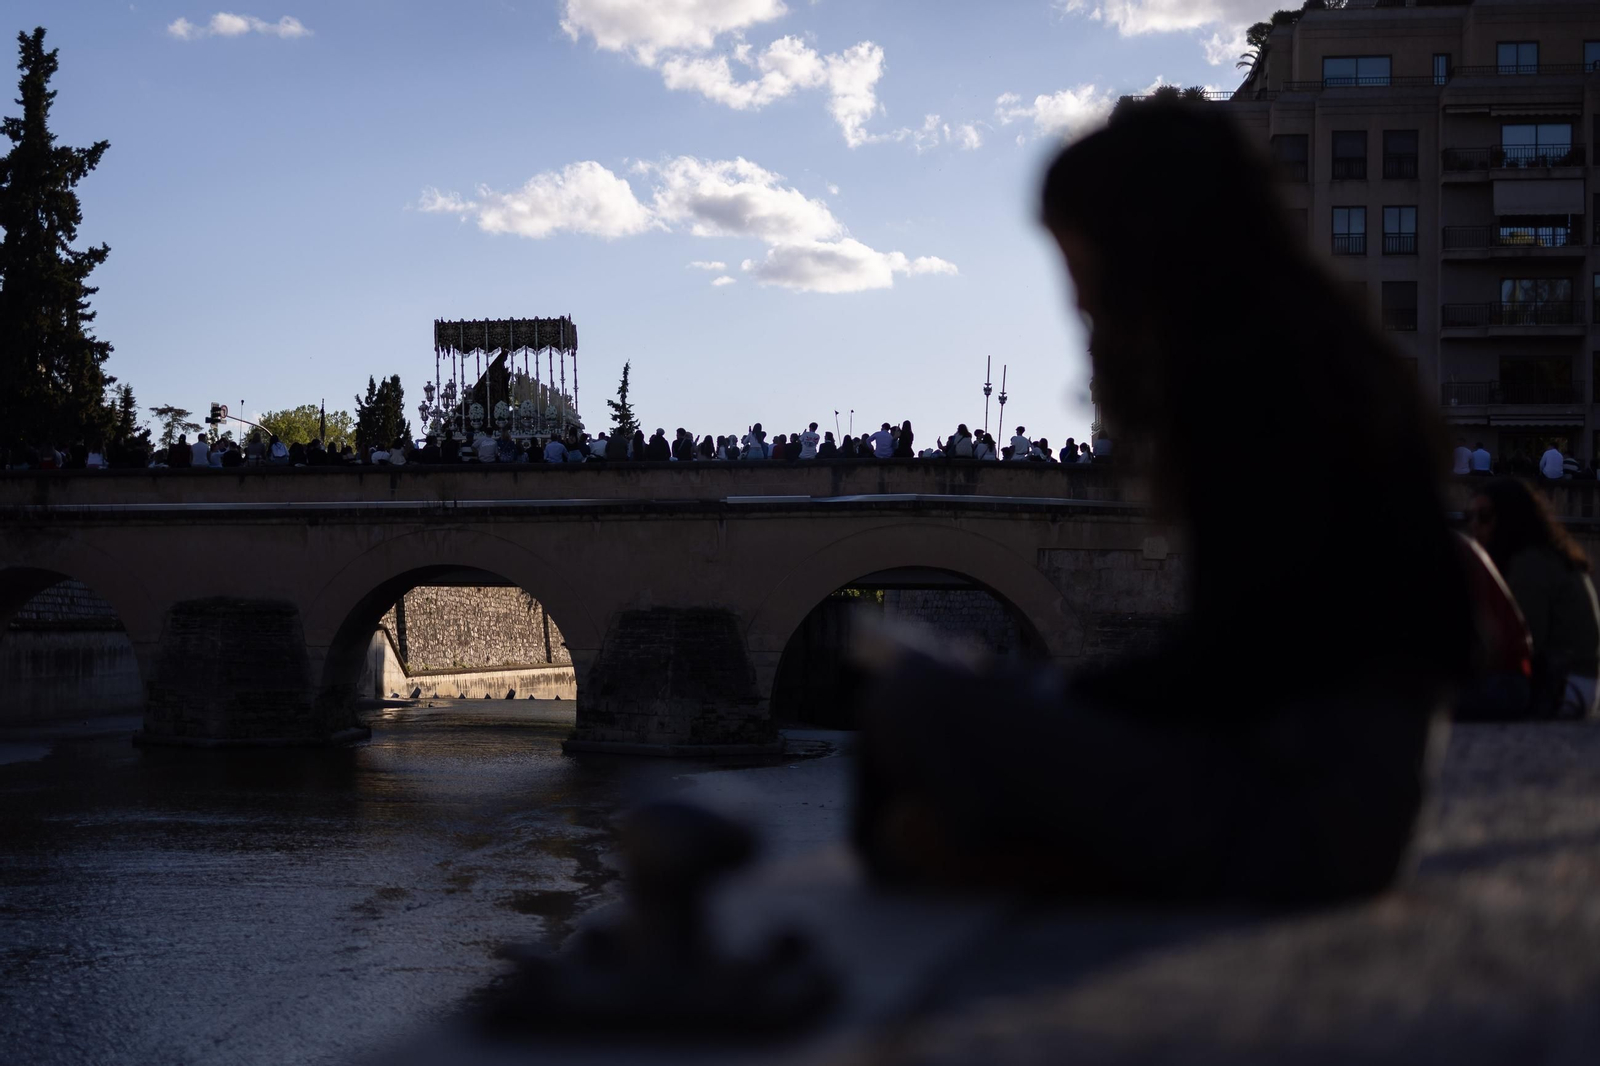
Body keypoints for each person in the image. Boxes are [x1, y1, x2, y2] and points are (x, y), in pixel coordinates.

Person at [853, 99, 1473, 905]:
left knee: (916, 701)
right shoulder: (1319, 357)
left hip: (1299, 818)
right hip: (1337, 801)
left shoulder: (1248, 378)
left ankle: (994, 857)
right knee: (956, 705)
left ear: (1136, 241)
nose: (1075, 298)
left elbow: (1234, 661)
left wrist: (1054, 696)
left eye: (1074, 257)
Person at [1466, 478, 1600, 719]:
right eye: (1471, 517)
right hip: (1573, 682)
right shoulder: (1541, 556)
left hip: (1562, 685)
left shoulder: (1529, 564)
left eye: (1484, 516)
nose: (1474, 526)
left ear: (1509, 519)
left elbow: (1523, 642)